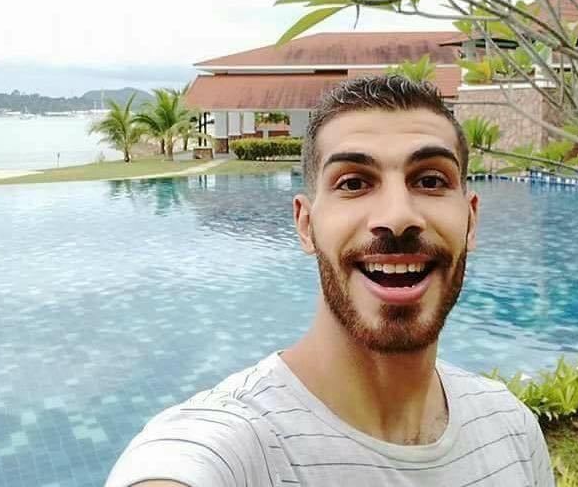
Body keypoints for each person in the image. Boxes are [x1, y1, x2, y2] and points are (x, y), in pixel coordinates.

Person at [105, 75, 554, 486]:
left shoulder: (510, 427)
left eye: (431, 180)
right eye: (354, 183)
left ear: (471, 220)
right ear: (306, 225)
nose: (397, 217)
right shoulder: (238, 445)